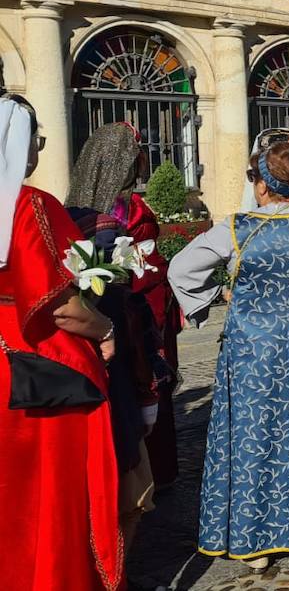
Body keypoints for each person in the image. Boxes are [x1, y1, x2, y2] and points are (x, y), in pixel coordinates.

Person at [168, 141, 289, 571]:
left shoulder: (238, 228)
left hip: (251, 353)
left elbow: (180, 269)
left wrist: (207, 300)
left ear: (262, 187)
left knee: (254, 437)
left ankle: (254, 543)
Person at [0, 96, 124, 591]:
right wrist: (107, 332)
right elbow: (63, 307)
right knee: (47, 495)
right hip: (35, 368)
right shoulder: (32, 207)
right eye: (37, 139)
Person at [65, 122, 183, 488]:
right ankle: (144, 476)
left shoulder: (74, 208)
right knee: (141, 385)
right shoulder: (119, 211)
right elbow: (119, 274)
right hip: (134, 310)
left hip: (125, 308)